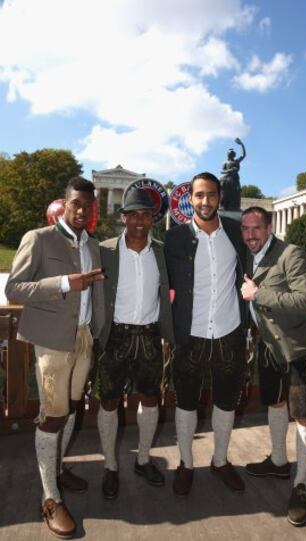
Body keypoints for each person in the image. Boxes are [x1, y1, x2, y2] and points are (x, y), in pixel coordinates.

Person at [5, 177, 105, 539]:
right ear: (64, 204)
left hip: (82, 340)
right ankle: (49, 497)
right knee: (53, 416)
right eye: (76, 203)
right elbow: (13, 288)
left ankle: (57, 469)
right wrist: (64, 283)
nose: (81, 211)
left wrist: (97, 333)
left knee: (73, 408)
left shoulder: (91, 244)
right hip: (51, 343)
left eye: (87, 206)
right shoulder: (39, 238)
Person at [164, 172, 247, 496]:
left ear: (219, 197)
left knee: (227, 402)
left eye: (211, 195)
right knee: (185, 403)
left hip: (230, 333)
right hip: (190, 335)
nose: (205, 201)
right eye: (199, 195)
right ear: (191, 199)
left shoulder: (236, 235)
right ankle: (186, 464)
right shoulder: (175, 239)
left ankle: (220, 460)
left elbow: (255, 269)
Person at [240, 206, 306, 527]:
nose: (250, 235)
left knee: (302, 412)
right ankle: (278, 460)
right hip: (267, 346)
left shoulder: (292, 254)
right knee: (274, 402)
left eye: (256, 229)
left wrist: (259, 294)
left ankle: (301, 483)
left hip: (296, 350)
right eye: (245, 229)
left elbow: (304, 302)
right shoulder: (248, 255)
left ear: (269, 228)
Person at [96, 188, 174, 500]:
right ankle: (110, 465)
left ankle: (143, 459)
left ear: (154, 219)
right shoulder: (105, 250)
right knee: (109, 400)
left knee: (152, 397)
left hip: (150, 334)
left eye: (146, 214)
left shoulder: (161, 252)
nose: (140, 220)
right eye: (134, 214)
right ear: (123, 217)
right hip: (114, 335)